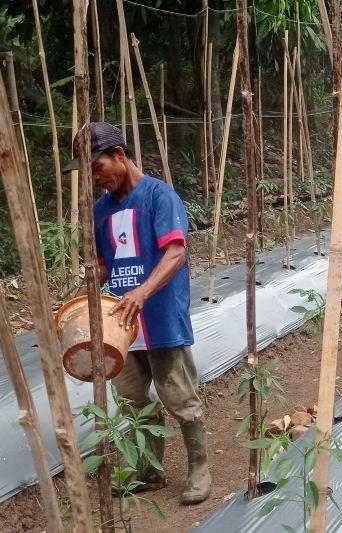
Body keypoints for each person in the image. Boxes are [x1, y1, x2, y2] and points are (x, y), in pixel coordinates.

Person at [64, 122, 211, 504]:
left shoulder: (160, 197)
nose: (96, 179)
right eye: (89, 173)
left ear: (120, 156)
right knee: (131, 400)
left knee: (179, 397)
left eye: (98, 167)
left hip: (160, 319)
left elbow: (175, 253)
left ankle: (199, 469)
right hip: (119, 328)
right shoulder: (100, 212)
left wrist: (142, 292)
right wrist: (83, 290)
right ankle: (150, 472)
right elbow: (102, 267)